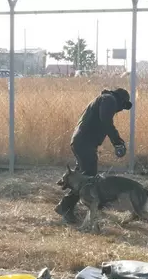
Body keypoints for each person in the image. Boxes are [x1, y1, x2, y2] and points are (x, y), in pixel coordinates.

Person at [54, 88, 133, 223]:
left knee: (83, 176)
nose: (120, 110)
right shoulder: (109, 100)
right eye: (123, 106)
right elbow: (106, 121)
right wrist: (117, 142)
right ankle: (66, 207)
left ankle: (75, 205)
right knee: (87, 179)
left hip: (81, 141)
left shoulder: (103, 99)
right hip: (84, 142)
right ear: (121, 100)